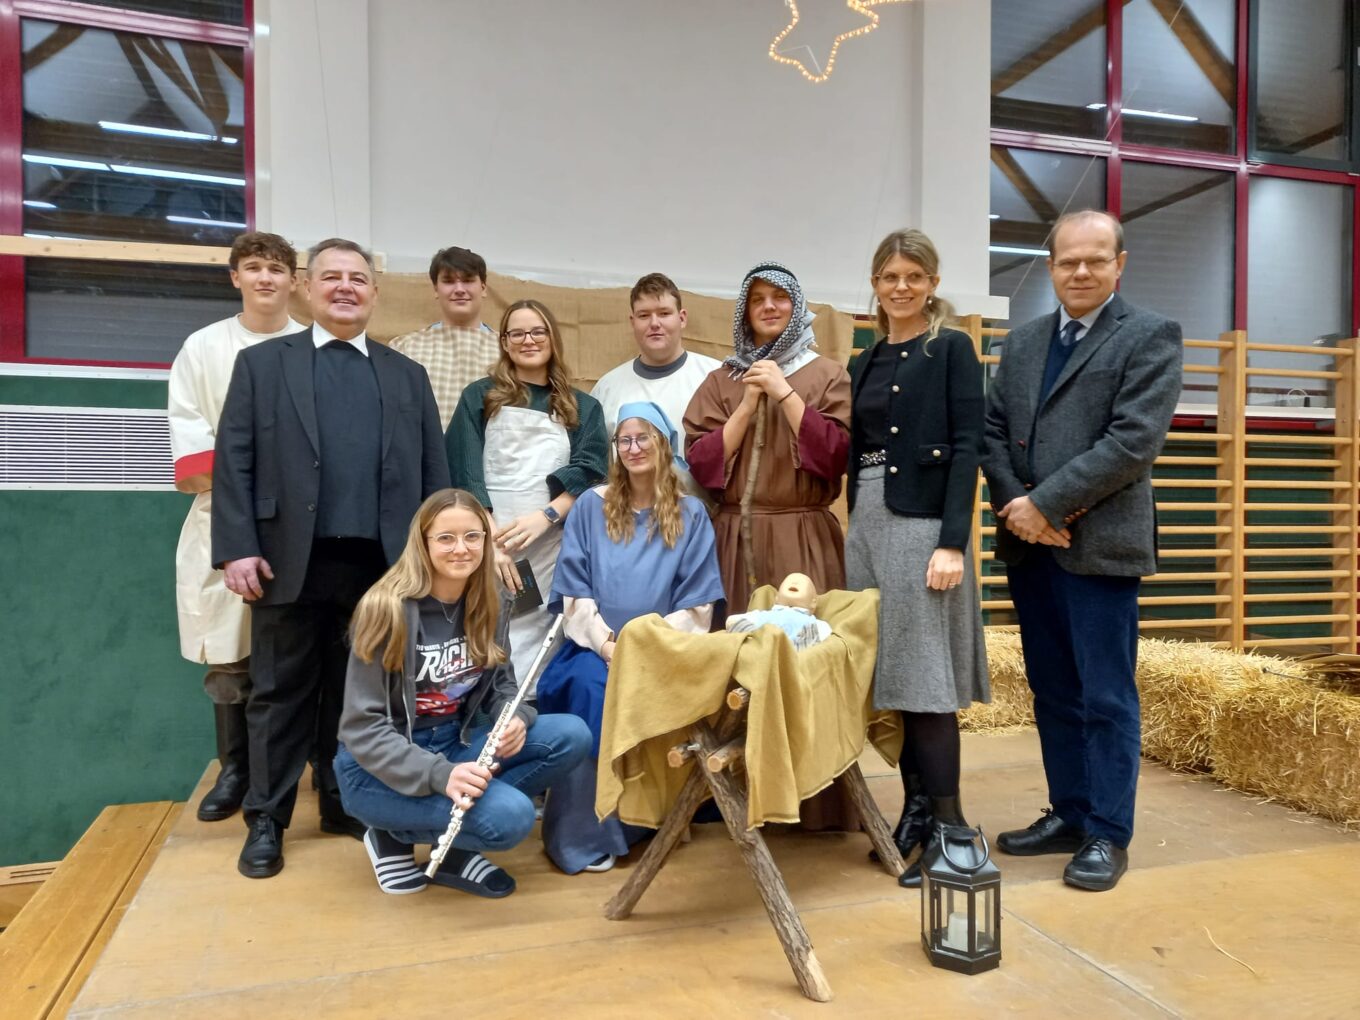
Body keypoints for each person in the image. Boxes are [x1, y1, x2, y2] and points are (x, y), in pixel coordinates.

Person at [213, 237, 451, 879]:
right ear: (305, 287)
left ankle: (344, 802)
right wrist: (237, 547)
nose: (345, 287)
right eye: (331, 278)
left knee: (362, 695)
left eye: (358, 278)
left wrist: (435, 560)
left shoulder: (407, 375)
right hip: (288, 561)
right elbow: (232, 460)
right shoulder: (264, 366)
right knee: (279, 692)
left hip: (380, 569)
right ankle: (267, 818)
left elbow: (434, 471)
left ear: (375, 293)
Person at [981, 210, 1181, 892]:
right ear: (1053, 265)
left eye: (1096, 260)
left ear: (1119, 264)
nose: (1082, 271)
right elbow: (993, 430)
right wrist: (1021, 512)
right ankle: (1068, 813)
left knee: (1105, 696)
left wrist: (1046, 505)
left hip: (1100, 549)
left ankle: (1106, 833)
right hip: (1032, 549)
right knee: (1054, 692)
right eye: (1069, 261)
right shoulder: (1026, 340)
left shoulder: (1150, 336)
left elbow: (1132, 443)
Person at [335, 489, 592, 897]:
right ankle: (390, 834)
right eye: (446, 538)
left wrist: (515, 718)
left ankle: (452, 847)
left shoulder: (492, 596)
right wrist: (441, 775)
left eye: (473, 537)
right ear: (422, 542)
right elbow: (363, 728)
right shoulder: (385, 608)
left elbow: (504, 685)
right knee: (509, 819)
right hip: (379, 767)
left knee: (571, 735)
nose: (461, 549)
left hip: (455, 743)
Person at [682, 261, 853, 830]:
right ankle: (726, 796)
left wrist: (782, 391)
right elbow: (702, 465)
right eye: (758, 299)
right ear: (745, 311)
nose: (770, 307)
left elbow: (834, 455)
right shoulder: (721, 381)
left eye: (781, 298)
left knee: (803, 661)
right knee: (730, 664)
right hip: (732, 537)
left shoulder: (825, 374)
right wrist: (749, 404)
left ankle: (812, 804)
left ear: (797, 307)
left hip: (801, 535)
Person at [844, 229, 991, 887]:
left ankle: (953, 831)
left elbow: (968, 447)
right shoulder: (864, 359)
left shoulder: (953, 348)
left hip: (922, 524)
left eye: (913, 276)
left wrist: (953, 541)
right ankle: (916, 812)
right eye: (888, 277)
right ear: (874, 285)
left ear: (932, 283)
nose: (900, 287)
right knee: (895, 681)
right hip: (868, 521)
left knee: (927, 683)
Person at [536, 401, 725, 874]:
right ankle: (583, 836)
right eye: (625, 440)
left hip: (663, 652)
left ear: (664, 445)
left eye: (645, 438)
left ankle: (642, 821)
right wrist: (606, 645)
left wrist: (644, 648)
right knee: (589, 694)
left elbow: (698, 604)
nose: (634, 448)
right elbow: (574, 592)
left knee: (648, 697)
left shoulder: (692, 514)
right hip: (593, 648)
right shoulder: (589, 508)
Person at [168, 231, 302, 823]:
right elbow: (192, 441)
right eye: (254, 268)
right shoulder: (203, 348)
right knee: (231, 657)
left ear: (294, 280)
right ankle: (235, 771)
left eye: (277, 268)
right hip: (226, 517)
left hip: (300, 522)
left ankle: (308, 768)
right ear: (235, 278)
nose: (266, 278)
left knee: (305, 649)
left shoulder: (316, 345)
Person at [446, 299, 608, 687]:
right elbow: (463, 471)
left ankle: (533, 718)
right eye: (516, 333)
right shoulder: (479, 397)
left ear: (552, 337)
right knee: (485, 630)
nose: (528, 340)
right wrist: (488, 542)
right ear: (504, 341)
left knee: (541, 637)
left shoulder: (583, 407)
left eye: (537, 331)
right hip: (489, 542)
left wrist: (547, 516)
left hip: (551, 546)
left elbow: (592, 471)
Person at [590, 273, 721, 495]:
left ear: (682, 318)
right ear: (633, 322)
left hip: (703, 521)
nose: (654, 324)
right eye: (644, 315)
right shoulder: (607, 389)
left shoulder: (715, 378)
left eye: (664, 313)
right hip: (628, 523)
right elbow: (597, 467)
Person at [389, 246, 501, 430]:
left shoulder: (508, 348)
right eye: (448, 281)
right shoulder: (404, 348)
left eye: (467, 280)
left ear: (483, 288)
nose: (459, 289)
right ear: (436, 289)